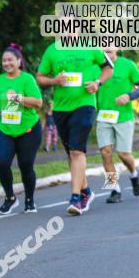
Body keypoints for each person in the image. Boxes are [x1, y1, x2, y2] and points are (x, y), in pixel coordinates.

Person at [37, 42, 114, 215]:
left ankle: (77, 198)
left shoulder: (91, 48)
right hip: (61, 108)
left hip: (87, 106)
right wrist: (54, 81)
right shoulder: (52, 50)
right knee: (72, 153)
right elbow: (40, 77)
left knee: (81, 152)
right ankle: (87, 192)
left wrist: (97, 83)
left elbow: (109, 68)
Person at [0, 44, 43, 214]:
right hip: (5, 129)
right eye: (4, 60)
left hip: (28, 129)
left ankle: (29, 200)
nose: (6, 63)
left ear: (18, 61)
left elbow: (38, 103)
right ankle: (10, 198)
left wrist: (17, 98)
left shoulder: (27, 79)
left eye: (10, 60)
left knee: (25, 165)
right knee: (1, 162)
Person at [95, 49, 139, 204]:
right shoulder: (95, 67)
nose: (107, 47)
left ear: (116, 46)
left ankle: (134, 174)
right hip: (103, 116)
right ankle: (114, 189)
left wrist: (129, 96)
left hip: (123, 117)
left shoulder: (128, 65)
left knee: (123, 154)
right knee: (105, 152)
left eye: (110, 42)